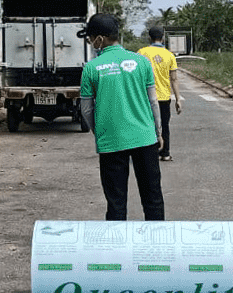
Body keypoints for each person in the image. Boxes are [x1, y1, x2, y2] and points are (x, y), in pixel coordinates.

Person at [78, 13, 165, 221]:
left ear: (100, 38)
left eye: (91, 38)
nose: (91, 42)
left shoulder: (90, 68)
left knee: (116, 203)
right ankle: (157, 246)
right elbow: (153, 102)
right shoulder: (142, 62)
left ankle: (116, 250)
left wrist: (97, 131)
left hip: (111, 141)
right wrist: (158, 132)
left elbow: (86, 109)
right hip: (144, 137)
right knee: (152, 198)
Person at [138, 26, 182, 162]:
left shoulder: (141, 53)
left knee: (146, 125)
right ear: (163, 38)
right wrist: (178, 99)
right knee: (164, 125)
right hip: (163, 97)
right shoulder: (169, 55)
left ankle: (148, 153)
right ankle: (165, 153)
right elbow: (174, 78)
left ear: (149, 38)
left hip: (145, 97)